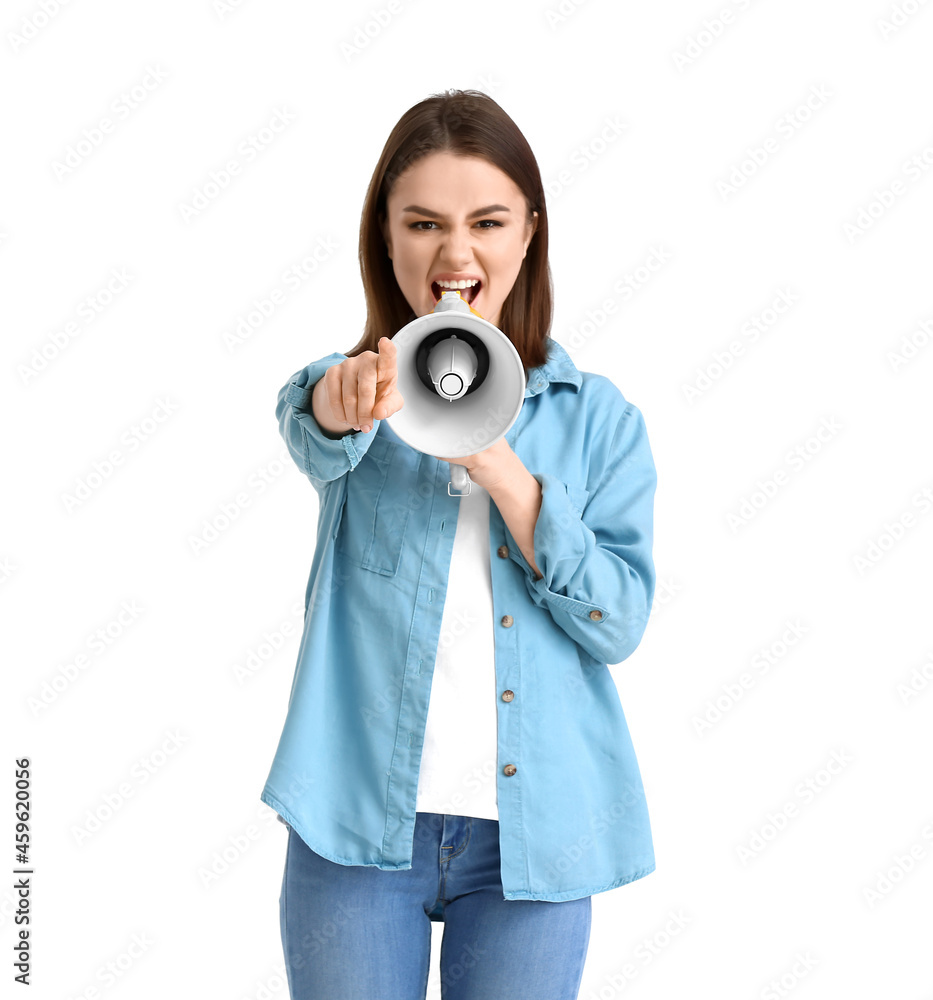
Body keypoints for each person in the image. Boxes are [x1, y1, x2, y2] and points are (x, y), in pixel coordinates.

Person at [261, 89, 658, 1000]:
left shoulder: (599, 421)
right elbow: (310, 423)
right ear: (387, 237)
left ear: (527, 233)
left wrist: (503, 468)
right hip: (354, 828)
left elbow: (619, 621)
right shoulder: (355, 389)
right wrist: (348, 397)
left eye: (485, 221)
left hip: (533, 841)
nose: (455, 253)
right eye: (423, 223)